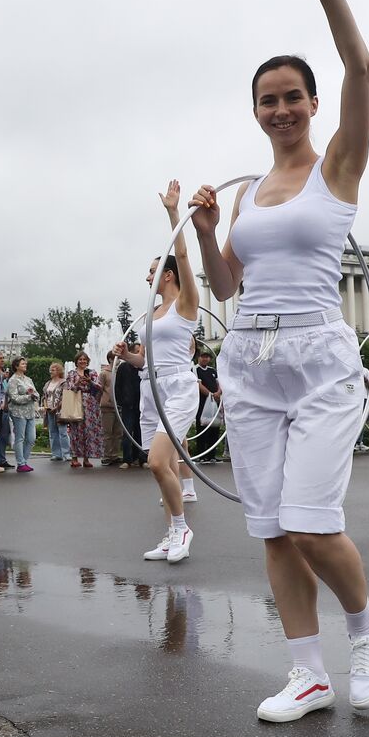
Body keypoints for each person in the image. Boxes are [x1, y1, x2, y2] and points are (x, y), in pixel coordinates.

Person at [189, 0, 369, 722]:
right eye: (268, 101)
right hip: (250, 359)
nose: (280, 110)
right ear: (257, 111)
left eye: (292, 98)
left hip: (320, 359)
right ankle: (307, 673)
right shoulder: (251, 195)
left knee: (311, 521)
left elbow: (363, 69)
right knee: (273, 529)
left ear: (311, 103)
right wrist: (208, 231)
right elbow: (227, 285)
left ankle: (367, 627)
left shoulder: (335, 168)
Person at [115, 179, 205, 563]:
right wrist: (128, 356)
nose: (148, 278)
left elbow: (183, 258)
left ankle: (182, 528)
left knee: (156, 461)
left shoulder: (185, 303)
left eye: (153, 272)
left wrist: (173, 213)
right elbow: (144, 361)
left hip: (179, 387)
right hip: (150, 386)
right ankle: (171, 534)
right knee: (163, 466)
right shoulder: (150, 315)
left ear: (167, 275)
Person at [65, 351, 104, 468]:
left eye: (84, 359)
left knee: (89, 430)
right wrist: (77, 383)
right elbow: (68, 388)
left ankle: (87, 458)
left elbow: (99, 387)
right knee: (75, 431)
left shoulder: (92, 373)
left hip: (90, 404)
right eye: (80, 359)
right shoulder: (71, 373)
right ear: (76, 361)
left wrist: (90, 381)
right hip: (76, 402)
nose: (82, 361)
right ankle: (74, 457)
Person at [6, 356, 39, 473]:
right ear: (16, 366)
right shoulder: (13, 380)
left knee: (31, 438)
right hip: (18, 412)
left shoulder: (28, 379)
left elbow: (36, 393)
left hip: (30, 412)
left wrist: (34, 396)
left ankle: (24, 461)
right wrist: (28, 396)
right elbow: (14, 397)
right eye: (23, 364)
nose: (25, 365)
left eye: (25, 363)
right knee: (20, 438)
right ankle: (21, 463)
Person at [194, 348, 223, 463]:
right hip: (202, 403)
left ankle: (212, 455)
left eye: (207, 357)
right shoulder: (195, 369)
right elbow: (198, 384)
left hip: (214, 403)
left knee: (214, 428)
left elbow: (219, 383)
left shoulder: (212, 370)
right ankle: (201, 454)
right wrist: (210, 394)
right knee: (202, 428)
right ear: (198, 357)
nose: (205, 359)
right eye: (202, 356)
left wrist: (218, 393)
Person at [40, 362, 69, 461]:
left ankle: (66, 453)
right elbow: (44, 396)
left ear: (58, 371)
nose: (50, 371)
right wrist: (45, 406)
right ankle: (56, 454)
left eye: (53, 369)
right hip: (49, 411)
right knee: (52, 432)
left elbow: (65, 396)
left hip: (60, 411)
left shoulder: (63, 382)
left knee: (63, 432)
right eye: (50, 369)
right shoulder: (48, 383)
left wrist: (56, 407)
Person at [99, 353, 122, 464]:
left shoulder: (119, 372)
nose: (119, 360)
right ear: (110, 359)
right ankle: (107, 455)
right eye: (117, 358)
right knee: (108, 432)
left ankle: (115, 454)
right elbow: (100, 388)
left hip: (119, 406)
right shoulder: (104, 373)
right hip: (107, 406)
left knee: (118, 432)